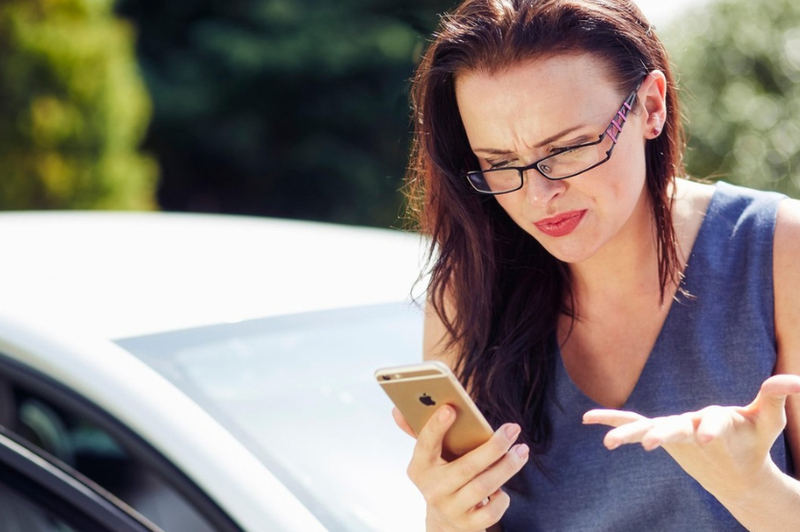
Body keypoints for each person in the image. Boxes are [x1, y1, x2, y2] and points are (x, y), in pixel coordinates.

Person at [392, 0, 800, 531]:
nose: (539, 196)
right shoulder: (468, 289)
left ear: (651, 107)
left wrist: (752, 488)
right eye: (498, 163)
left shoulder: (778, 252)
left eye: (568, 148)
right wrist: (446, 518)